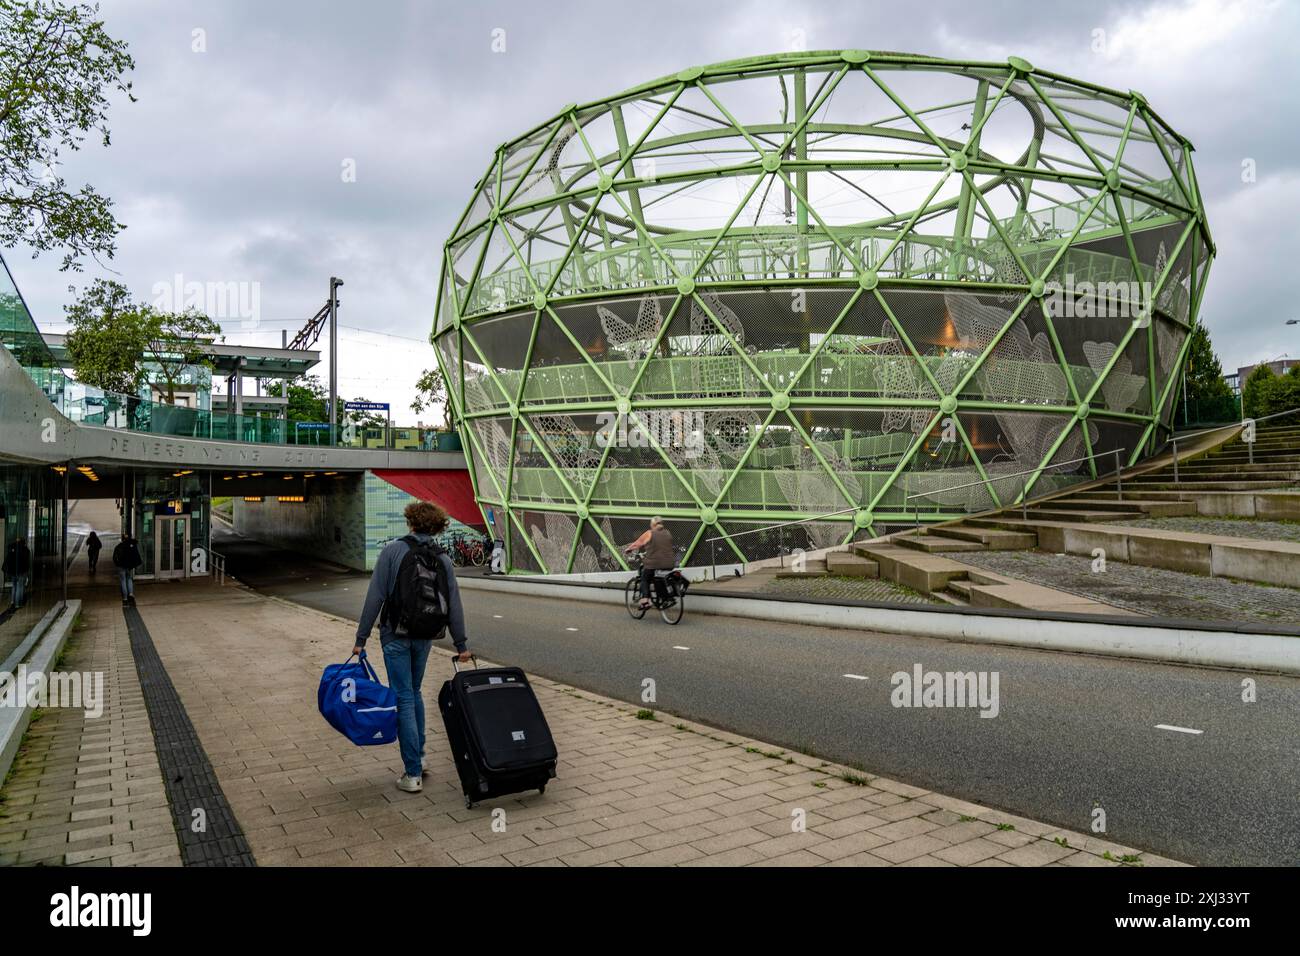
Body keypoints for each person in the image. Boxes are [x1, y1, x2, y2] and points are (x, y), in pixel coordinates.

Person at [354, 501, 470, 794]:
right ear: (437, 527)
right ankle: (419, 755)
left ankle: (412, 773)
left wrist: (361, 638)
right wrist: (461, 643)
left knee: (404, 697)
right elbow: (453, 604)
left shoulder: (393, 551)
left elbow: (375, 596)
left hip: (395, 636)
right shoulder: (442, 558)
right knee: (414, 692)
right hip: (425, 636)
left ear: (411, 522)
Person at [623, 517, 674, 610]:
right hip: (670, 563)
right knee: (656, 577)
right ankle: (664, 598)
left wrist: (628, 549)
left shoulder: (650, 533)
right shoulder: (668, 533)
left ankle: (645, 601)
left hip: (654, 563)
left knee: (644, 578)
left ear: (653, 525)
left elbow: (638, 543)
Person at [112, 533, 143, 607]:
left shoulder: (119, 546)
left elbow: (114, 557)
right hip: (129, 566)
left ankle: (125, 598)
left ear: (122, 539)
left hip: (121, 566)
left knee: (123, 581)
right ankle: (131, 594)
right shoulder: (132, 545)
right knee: (129, 579)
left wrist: (117, 564)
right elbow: (136, 555)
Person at [3, 538, 31, 609]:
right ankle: (18, 603)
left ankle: (12, 602)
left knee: (14, 586)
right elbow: (27, 562)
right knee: (20, 587)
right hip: (22, 571)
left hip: (13, 571)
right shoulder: (25, 550)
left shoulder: (12, 549)